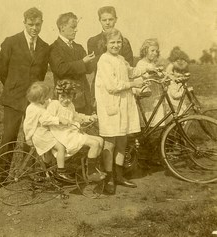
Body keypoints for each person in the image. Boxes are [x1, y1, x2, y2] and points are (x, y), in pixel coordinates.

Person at [0, 7, 49, 189]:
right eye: (30, 24)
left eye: (37, 25)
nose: (34, 28)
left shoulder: (44, 47)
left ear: (41, 24)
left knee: (31, 136)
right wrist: (13, 86)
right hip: (13, 98)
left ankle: (30, 172)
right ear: (24, 23)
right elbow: (1, 70)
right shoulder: (11, 42)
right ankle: (0, 175)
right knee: (9, 136)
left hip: (33, 100)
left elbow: (42, 73)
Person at [95, 28, 153, 194]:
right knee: (110, 142)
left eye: (118, 42)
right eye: (112, 42)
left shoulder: (121, 59)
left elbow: (131, 72)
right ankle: (108, 178)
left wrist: (148, 69)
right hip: (110, 105)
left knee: (122, 139)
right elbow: (113, 86)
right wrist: (133, 84)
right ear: (105, 44)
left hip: (123, 104)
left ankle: (119, 175)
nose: (116, 45)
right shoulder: (104, 60)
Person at [47, 80, 106, 182]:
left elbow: (76, 116)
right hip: (62, 135)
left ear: (73, 97)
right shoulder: (54, 105)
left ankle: (92, 167)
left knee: (100, 140)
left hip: (71, 132)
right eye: (63, 97)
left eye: (69, 97)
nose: (66, 100)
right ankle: (90, 173)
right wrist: (60, 120)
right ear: (58, 96)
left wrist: (89, 118)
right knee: (95, 144)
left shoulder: (70, 105)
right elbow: (47, 119)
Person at [23, 82, 75, 182]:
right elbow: (33, 124)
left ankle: (45, 169)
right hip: (40, 134)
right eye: (46, 95)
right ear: (41, 97)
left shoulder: (42, 103)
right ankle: (61, 171)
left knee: (49, 152)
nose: (49, 97)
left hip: (45, 131)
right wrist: (28, 138)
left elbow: (50, 103)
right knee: (61, 146)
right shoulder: (34, 109)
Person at [87, 6, 134, 110]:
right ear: (100, 21)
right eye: (104, 20)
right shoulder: (93, 41)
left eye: (110, 19)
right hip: (102, 85)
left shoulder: (124, 41)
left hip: (122, 86)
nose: (107, 23)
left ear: (116, 19)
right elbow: (92, 65)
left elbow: (129, 65)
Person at [49, 12, 95, 114]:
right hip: (66, 99)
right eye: (73, 27)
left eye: (76, 27)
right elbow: (60, 69)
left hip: (84, 99)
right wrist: (83, 62)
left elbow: (89, 69)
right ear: (62, 27)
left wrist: (91, 60)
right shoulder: (54, 48)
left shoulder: (79, 47)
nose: (76, 30)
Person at [135, 38, 165, 127]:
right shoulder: (141, 64)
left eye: (156, 51)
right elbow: (143, 77)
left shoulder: (153, 64)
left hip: (154, 95)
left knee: (157, 119)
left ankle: (157, 138)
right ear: (145, 51)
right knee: (149, 119)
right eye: (152, 50)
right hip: (146, 96)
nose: (154, 53)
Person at [166, 48, 190, 115]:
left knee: (184, 116)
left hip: (180, 103)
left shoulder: (182, 81)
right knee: (177, 118)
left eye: (182, 72)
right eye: (178, 72)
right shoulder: (173, 83)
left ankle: (184, 124)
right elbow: (174, 95)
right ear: (173, 72)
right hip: (173, 105)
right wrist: (184, 92)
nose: (180, 74)